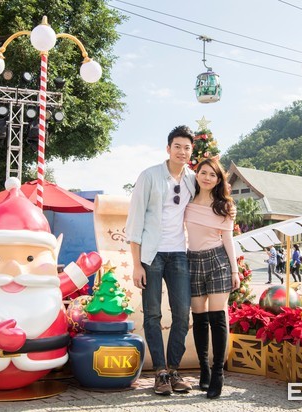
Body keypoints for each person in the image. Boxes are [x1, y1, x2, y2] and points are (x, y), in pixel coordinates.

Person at [0, 178, 101, 390]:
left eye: (30, 259)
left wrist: (82, 270)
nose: (14, 269)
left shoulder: (44, 287)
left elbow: (58, 285)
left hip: (42, 356)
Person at [126, 125, 197, 395]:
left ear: (191, 151)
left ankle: (175, 370)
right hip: (152, 254)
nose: (182, 151)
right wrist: (136, 264)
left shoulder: (192, 178)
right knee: (153, 314)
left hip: (179, 253)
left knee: (182, 314)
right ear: (168, 148)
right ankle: (160, 373)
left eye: (187, 147)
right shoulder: (149, 176)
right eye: (177, 146)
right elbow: (135, 221)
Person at [184, 158, 239, 399]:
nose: (207, 177)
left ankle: (218, 373)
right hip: (192, 261)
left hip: (218, 262)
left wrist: (235, 271)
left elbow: (228, 240)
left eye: (212, 175)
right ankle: (203, 369)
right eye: (203, 172)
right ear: (197, 174)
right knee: (198, 317)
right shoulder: (186, 201)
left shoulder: (223, 206)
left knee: (218, 317)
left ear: (218, 180)